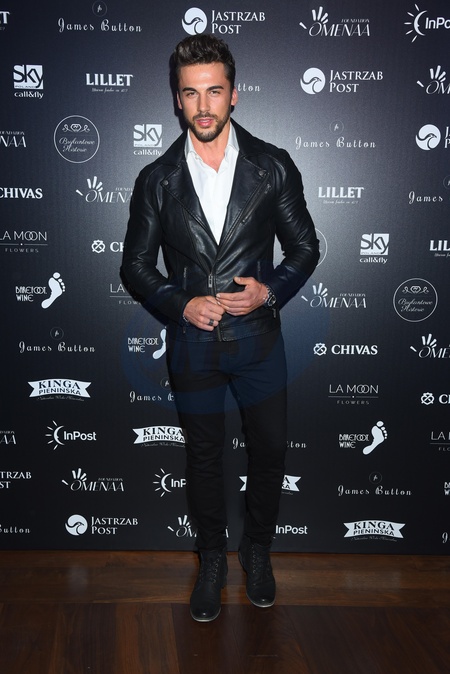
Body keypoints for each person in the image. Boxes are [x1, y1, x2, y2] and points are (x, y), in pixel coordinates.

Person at [121, 34, 319, 622]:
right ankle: (211, 561)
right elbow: (134, 265)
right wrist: (180, 304)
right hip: (193, 346)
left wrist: (269, 290)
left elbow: (305, 248)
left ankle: (257, 552)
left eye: (214, 91)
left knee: (271, 452)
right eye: (191, 93)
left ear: (234, 94)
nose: (203, 106)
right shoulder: (157, 179)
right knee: (204, 459)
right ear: (177, 99)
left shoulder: (272, 165)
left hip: (259, 341)